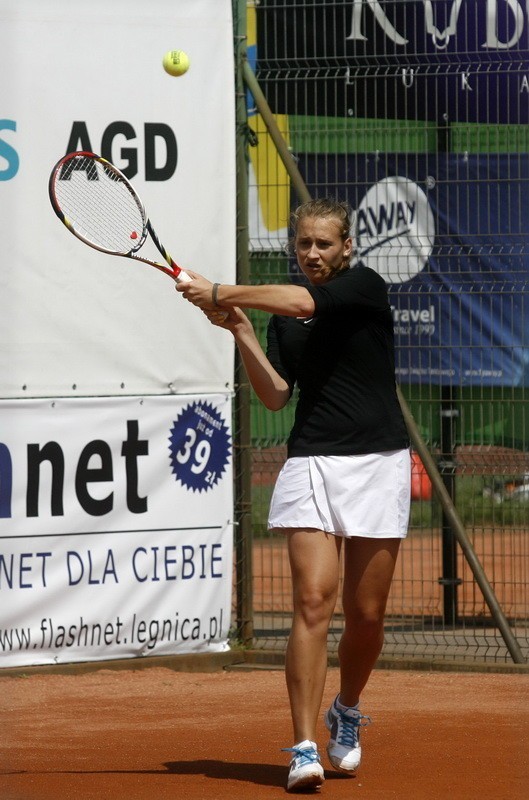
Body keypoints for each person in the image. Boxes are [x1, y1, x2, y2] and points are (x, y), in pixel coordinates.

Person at [176, 198, 411, 793]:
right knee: (313, 599)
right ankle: (304, 745)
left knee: (366, 616)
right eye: (303, 244)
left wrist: (222, 291)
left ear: (346, 248)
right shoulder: (284, 315)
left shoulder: (364, 286)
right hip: (311, 462)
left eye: (324, 244)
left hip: (378, 463)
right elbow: (278, 396)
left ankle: (347, 709)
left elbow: (306, 302)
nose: (312, 254)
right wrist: (241, 330)